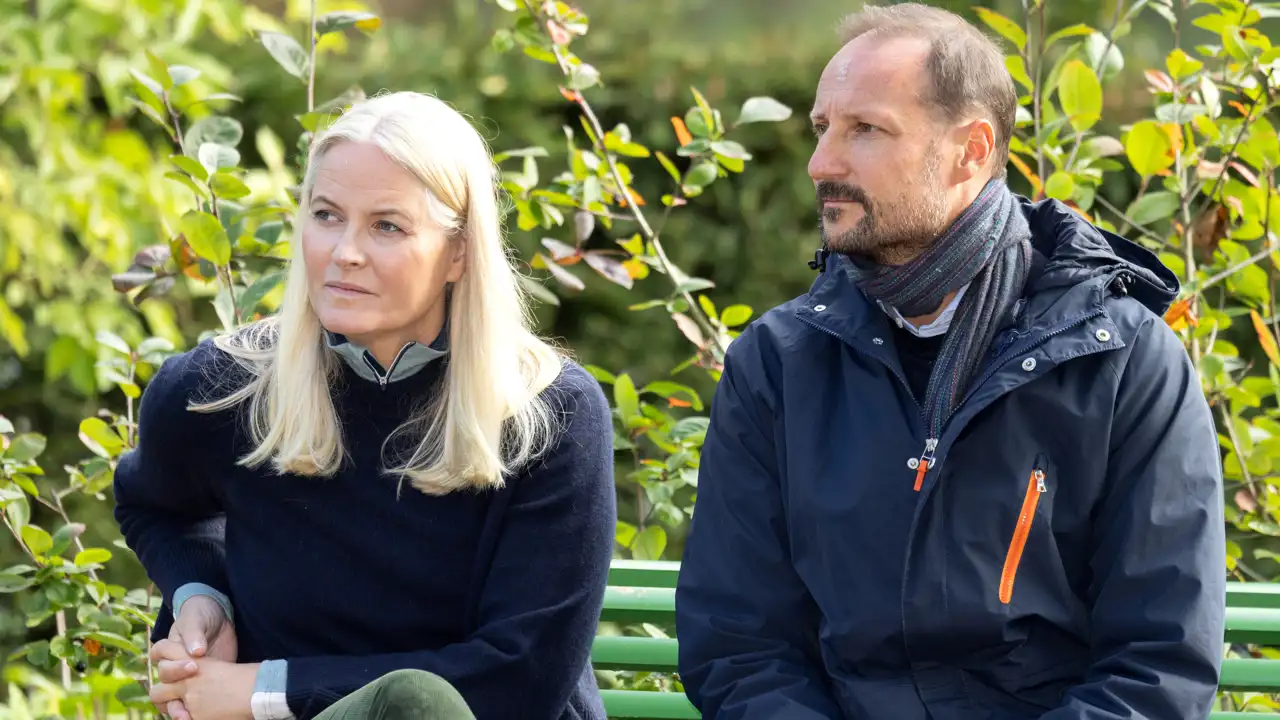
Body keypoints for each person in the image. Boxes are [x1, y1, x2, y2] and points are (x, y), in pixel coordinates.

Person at [674, 4, 1226, 719]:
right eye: (822, 129)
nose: (821, 164)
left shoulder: (1121, 361)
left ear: (970, 149)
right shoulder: (779, 366)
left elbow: (1158, 666)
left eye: (864, 129)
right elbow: (738, 644)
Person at [112, 91, 617, 720]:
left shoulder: (550, 415)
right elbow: (154, 505)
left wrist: (264, 690)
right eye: (327, 215)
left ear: (458, 252)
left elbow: (519, 677)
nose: (345, 251)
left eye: (386, 225)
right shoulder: (224, 388)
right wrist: (200, 591)